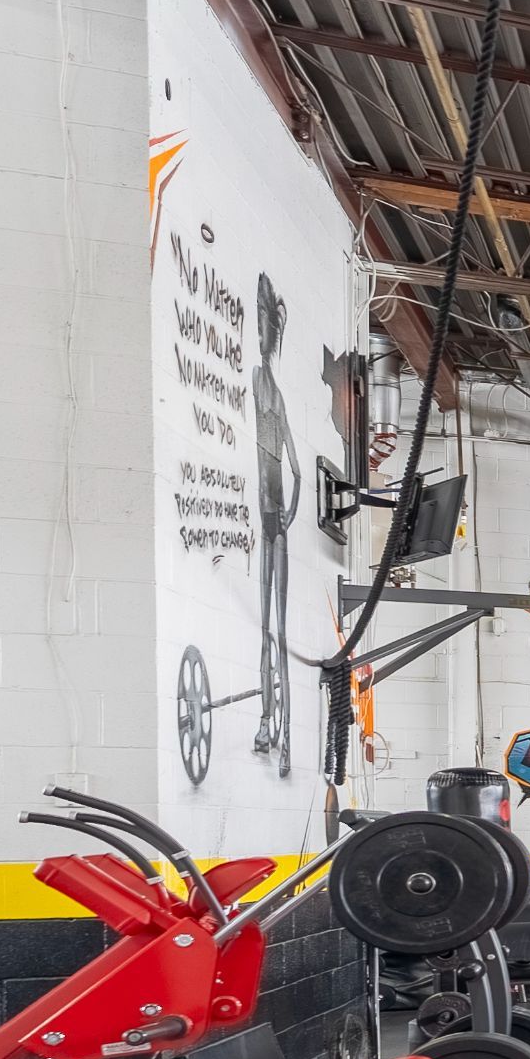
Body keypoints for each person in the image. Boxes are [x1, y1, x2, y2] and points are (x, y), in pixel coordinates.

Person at [247, 277, 297, 775]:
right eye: (259, 323)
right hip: (267, 516)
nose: (262, 332)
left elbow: (297, 470)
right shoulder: (256, 383)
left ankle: (282, 733)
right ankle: (265, 722)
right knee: (264, 630)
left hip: (275, 520)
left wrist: (290, 514)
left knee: (278, 631)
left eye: (267, 324)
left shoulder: (275, 396)